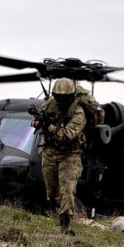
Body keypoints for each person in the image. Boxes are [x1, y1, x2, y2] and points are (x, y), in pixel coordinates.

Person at [33, 78, 86, 234]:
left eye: (64, 97)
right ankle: (53, 215)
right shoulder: (50, 104)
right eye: (58, 96)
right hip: (50, 151)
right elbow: (34, 122)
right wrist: (38, 121)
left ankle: (65, 223)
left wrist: (47, 126)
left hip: (70, 154)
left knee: (67, 190)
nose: (61, 100)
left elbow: (67, 135)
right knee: (51, 191)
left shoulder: (78, 112)